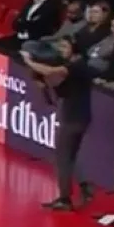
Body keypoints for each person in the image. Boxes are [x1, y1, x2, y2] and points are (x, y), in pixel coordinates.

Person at [21, 37, 95, 210]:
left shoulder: (76, 66)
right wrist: (40, 81)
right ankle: (85, 186)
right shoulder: (72, 67)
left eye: (64, 46)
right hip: (75, 116)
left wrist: (29, 61)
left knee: (62, 158)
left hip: (73, 118)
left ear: (74, 49)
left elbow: (50, 71)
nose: (60, 49)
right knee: (69, 156)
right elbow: (52, 87)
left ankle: (65, 199)